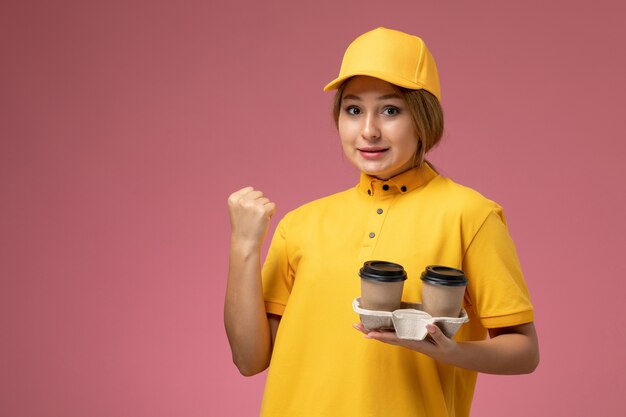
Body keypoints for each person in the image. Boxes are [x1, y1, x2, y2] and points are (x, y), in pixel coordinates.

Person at [224, 27, 539, 417]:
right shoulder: (301, 224)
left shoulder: (470, 215)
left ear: (424, 118)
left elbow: (524, 351)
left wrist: (451, 350)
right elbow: (249, 360)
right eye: (353, 110)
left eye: (391, 110)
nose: (368, 130)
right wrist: (243, 247)